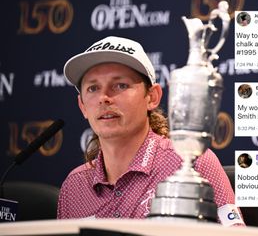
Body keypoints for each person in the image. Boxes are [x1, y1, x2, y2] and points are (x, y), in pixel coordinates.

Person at [58, 36, 245, 227]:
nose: (104, 97)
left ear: (152, 97)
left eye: (120, 85)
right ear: (82, 106)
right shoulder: (74, 187)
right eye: (93, 88)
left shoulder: (192, 162)